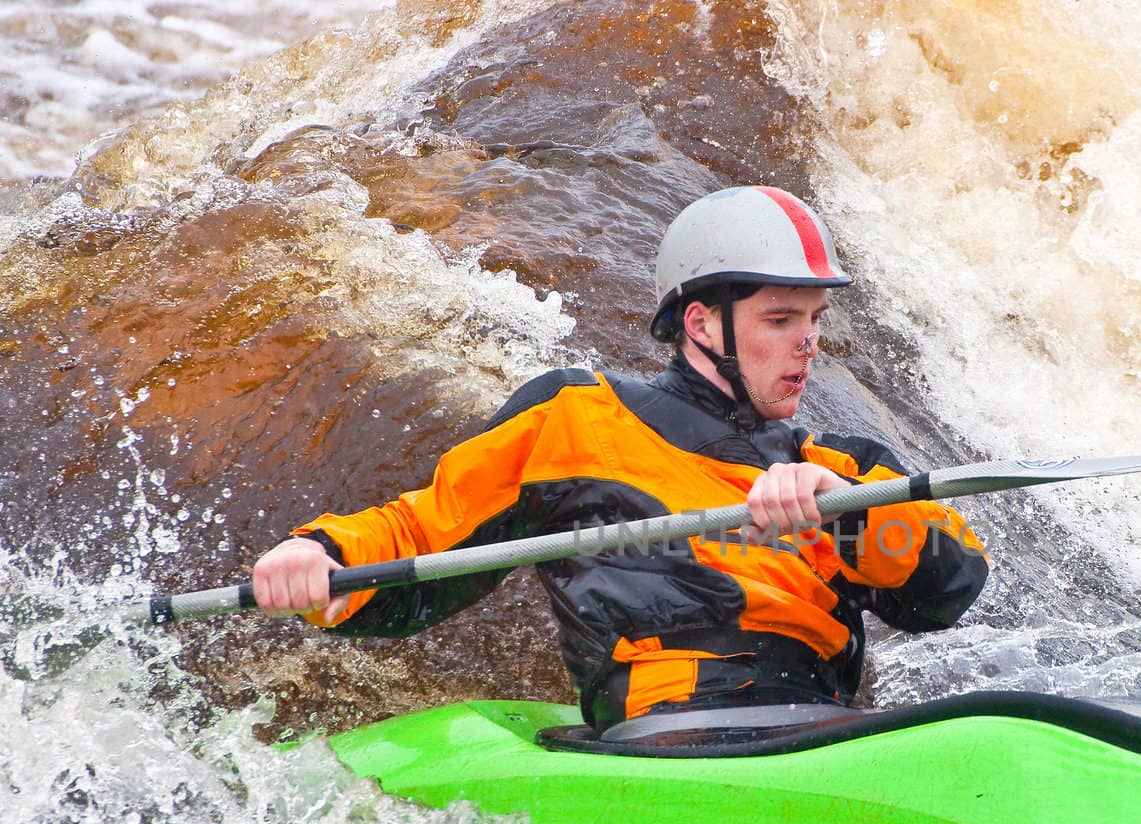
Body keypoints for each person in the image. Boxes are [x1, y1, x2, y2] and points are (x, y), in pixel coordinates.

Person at [252, 186, 988, 730]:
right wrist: (323, 558)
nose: (807, 343)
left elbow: (948, 582)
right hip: (663, 730)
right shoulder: (576, 418)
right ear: (701, 322)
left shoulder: (842, 465)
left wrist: (843, 508)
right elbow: (426, 533)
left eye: (814, 321)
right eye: (780, 319)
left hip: (820, 728)